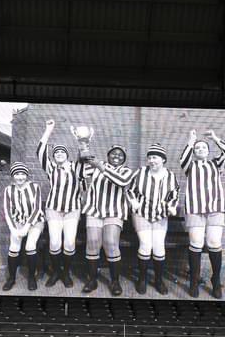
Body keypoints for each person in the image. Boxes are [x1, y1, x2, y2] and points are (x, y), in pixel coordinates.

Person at [180, 129, 225, 298]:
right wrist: (191, 140)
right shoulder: (190, 166)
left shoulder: (216, 164)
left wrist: (216, 138)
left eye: (203, 147)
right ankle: (194, 279)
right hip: (195, 208)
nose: (200, 149)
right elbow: (183, 158)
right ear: (194, 153)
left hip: (215, 208)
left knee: (214, 242)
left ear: (209, 152)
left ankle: (215, 280)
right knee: (196, 242)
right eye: (197, 148)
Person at [80, 143, 134, 296]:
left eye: (120, 155)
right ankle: (92, 280)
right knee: (93, 243)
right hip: (94, 210)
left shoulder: (126, 171)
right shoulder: (97, 166)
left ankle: (115, 281)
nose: (116, 156)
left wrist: (99, 165)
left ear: (124, 159)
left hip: (114, 212)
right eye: (113, 153)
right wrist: (82, 146)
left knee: (110, 242)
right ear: (108, 155)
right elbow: (82, 171)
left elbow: (121, 181)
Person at [127, 144, 178, 295]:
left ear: (163, 159)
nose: (151, 160)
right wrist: (134, 202)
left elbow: (174, 194)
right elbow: (130, 190)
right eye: (149, 157)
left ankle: (158, 280)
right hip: (142, 214)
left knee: (158, 246)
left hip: (160, 215)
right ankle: (142, 279)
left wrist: (172, 206)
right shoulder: (141, 172)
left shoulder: (170, 175)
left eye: (155, 157)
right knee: (146, 244)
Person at [38, 119, 83, 288]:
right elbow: (41, 152)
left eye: (62, 152)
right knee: (55, 242)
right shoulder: (51, 168)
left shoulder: (75, 167)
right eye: (56, 153)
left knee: (69, 242)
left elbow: (83, 157)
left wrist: (79, 138)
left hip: (72, 209)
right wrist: (48, 130)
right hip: (54, 209)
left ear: (67, 155)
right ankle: (56, 271)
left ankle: (66, 273)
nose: (58, 154)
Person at [1, 162, 46, 291]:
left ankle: (31, 278)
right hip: (17, 221)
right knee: (14, 247)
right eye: (16, 174)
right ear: (13, 175)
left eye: (22, 174)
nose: (19, 177)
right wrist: (14, 229)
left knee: (30, 246)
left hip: (35, 220)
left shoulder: (34, 187)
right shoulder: (9, 190)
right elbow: (7, 211)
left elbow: (37, 208)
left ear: (26, 175)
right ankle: (11, 278)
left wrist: (26, 228)